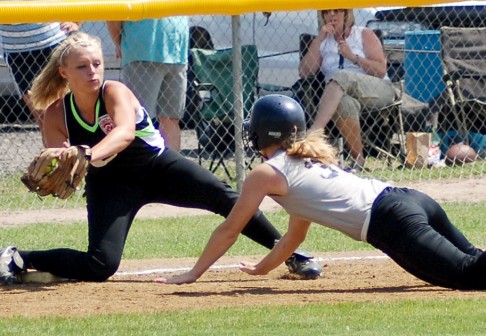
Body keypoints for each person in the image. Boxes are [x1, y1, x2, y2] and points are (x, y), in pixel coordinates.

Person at [156, 94, 486, 288]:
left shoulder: (265, 174)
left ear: (258, 133)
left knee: (472, 275)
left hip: (391, 221)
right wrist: (261, 268)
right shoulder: (307, 161)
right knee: (481, 262)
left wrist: (193, 273)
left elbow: (230, 229)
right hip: (411, 198)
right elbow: (295, 237)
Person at [0, 33, 323, 285]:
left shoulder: (114, 91)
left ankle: (291, 254)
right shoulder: (57, 113)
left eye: (96, 63)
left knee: (226, 197)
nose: (92, 71)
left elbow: (125, 133)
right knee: (100, 265)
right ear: (63, 72)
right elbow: (61, 155)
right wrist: (63, 162)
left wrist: (88, 153)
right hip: (111, 183)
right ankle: (18, 257)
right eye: (82, 66)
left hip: (157, 167)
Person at [298, 9, 397, 171]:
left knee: (342, 75)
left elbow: (381, 70)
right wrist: (319, 40)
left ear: (346, 14)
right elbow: (304, 73)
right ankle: (359, 160)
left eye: (337, 11)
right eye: (327, 12)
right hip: (339, 94)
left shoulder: (363, 34)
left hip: (377, 90)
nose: (332, 15)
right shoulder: (323, 41)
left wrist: (352, 57)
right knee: (344, 103)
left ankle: (314, 132)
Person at [107, 17, 188, 151]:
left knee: (171, 119)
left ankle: (170, 169)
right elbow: (113, 17)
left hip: (177, 53)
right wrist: (120, 44)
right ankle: (142, 168)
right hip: (142, 53)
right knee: (138, 120)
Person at [0, 20, 81, 140]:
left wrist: (76, 21)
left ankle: (78, 155)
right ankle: (56, 157)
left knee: (71, 112)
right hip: (16, 50)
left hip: (54, 40)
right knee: (45, 120)